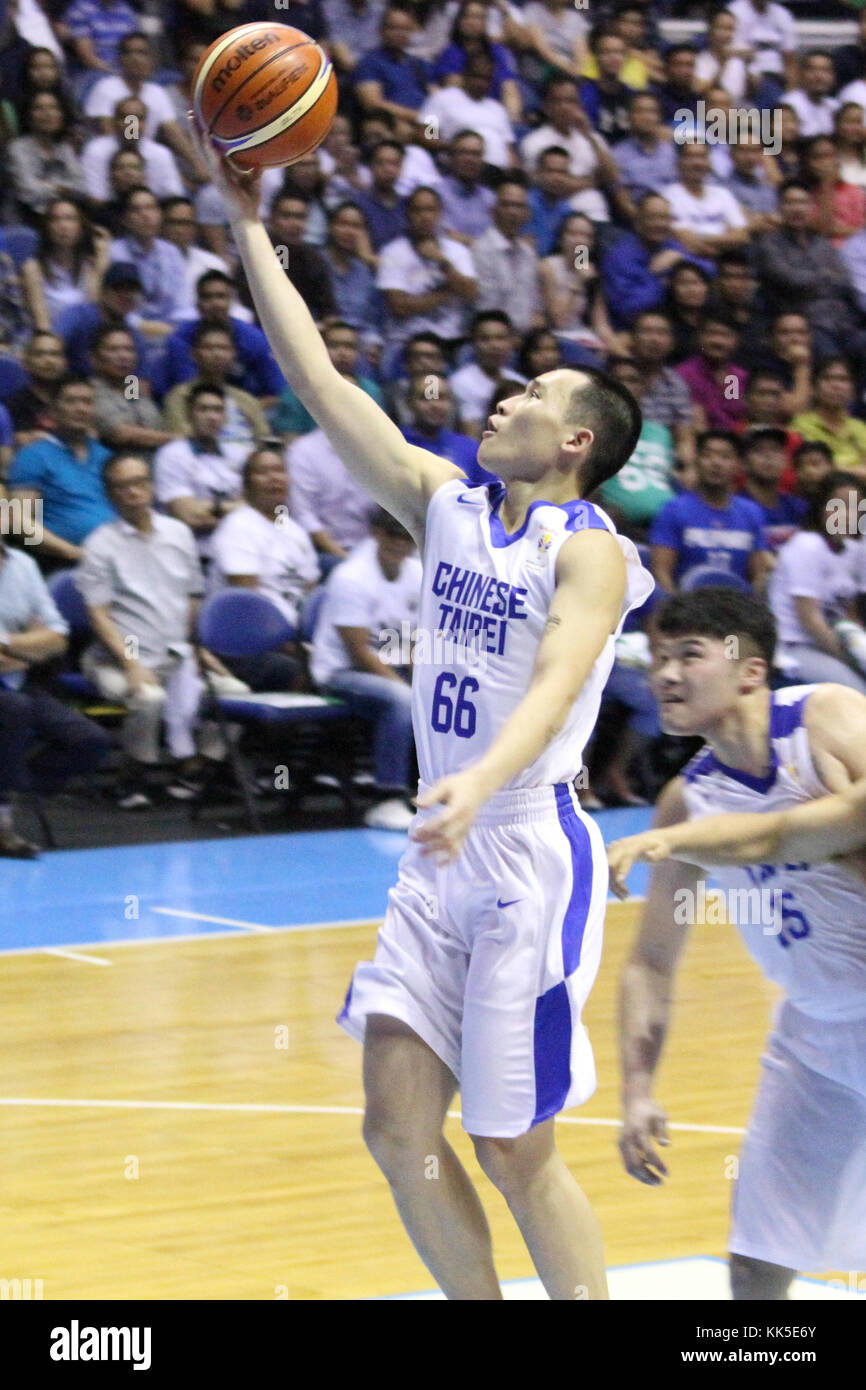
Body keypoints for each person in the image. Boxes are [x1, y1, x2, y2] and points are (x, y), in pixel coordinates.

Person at [194, 123, 653, 1300]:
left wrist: (477, 776)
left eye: (533, 393)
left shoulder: (590, 548)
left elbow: (557, 684)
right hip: (438, 852)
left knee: (513, 1145)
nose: (505, 397)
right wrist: (249, 223)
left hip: (522, 851)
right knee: (396, 1133)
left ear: (575, 441)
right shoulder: (442, 498)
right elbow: (316, 381)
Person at [608, 585, 866, 1298]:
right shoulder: (689, 799)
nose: (664, 673)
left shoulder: (830, 720)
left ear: (750, 671)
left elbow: (781, 832)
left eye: (689, 655)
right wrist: (636, 1091)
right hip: (813, 1036)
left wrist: (669, 842)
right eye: (659, 656)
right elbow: (651, 964)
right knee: (756, 1260)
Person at [77, 451, 241, 808]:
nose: (133, 492)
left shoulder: (179, 533)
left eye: (139, 482)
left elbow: (193, 597)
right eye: (123, 486)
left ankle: (193, 770)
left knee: (237, 694)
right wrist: (131, 663)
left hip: (176, 654)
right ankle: (132, 776)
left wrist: (198, 649)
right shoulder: (99, 545)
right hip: (115, 657)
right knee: (148, 698)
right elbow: (99, 615)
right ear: (110, 494)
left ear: (150, 486)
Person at [0, 526, 110, 856]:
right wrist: (31, 644)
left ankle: (14, 789)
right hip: (15, 691)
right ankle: (2, 818)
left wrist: (11, 645)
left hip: (18, 679)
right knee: (14, 709)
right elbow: (42, 639)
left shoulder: (23, 563)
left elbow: (57, 635)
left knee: (90, 741)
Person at [311, 506, 421, 829]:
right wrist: (408, 689)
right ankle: (385, 798)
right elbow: (357, 651)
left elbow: (415, 641)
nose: (401, 544)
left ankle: (436, 788)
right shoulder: (351, 578)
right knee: (402, 700)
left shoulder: (416, 573)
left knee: (447, 690)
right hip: (341, 672)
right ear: (376, 533)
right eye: (393, 535)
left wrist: (424, 683)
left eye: (407, 537)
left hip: (390, 662)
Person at [210, 445, 319, 692]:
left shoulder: (296, 531)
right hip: (246, 644)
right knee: (302, 669)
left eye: (279, 471)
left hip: (295, 642)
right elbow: (249, 609)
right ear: (246, 485)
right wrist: (300, 651)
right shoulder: (238, 527)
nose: (274, 478)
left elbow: (310, 595)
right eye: (263, 472)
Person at [768, 471, 866, 694]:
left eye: (855, 507)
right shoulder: (807, 545)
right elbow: (810, 620)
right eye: (837, 506)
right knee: (858, 692)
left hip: (833, 641)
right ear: (821, 508)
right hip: (795, 647)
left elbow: (849, 614)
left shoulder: (854, 549)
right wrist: (848, 658)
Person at [7, 375, 114, 567]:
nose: (80, 408)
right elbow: (19, 523)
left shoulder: (106, 456)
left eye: (87, 402)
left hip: (113, 557)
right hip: (60, 562)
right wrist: (72, 552)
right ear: (53, 410)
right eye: (71, 401)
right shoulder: (33, 455)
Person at [649, 429, 770, 593]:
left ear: (738, 466)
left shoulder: (752, 513)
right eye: (707, 455)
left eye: (725, 457)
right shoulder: (673, 510)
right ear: (697, 461)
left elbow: (759, 576)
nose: (716, 463)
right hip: (687, 607)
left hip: (738, 608)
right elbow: (661, 572)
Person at [153, 383, 247, 560]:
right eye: (203, 409)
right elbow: (188, 516)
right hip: (191, 554)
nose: (212, 417)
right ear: (189, 414)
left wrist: (209, 508)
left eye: (218, 410)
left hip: (238, 550)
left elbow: (256, 508)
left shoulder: (238, 455)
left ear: (225, 416)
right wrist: (235, 511)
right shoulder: (172, 454)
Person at [471, 178, 541, 336]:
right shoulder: (482, 250)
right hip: (498, 337)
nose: (513, 212)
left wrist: (580, 277)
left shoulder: (529, 252)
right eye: (507, 205)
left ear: (527, 213)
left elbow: (538, 308)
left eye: (519, 206)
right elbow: (487, 309)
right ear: (494, 210)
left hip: (568, 332)